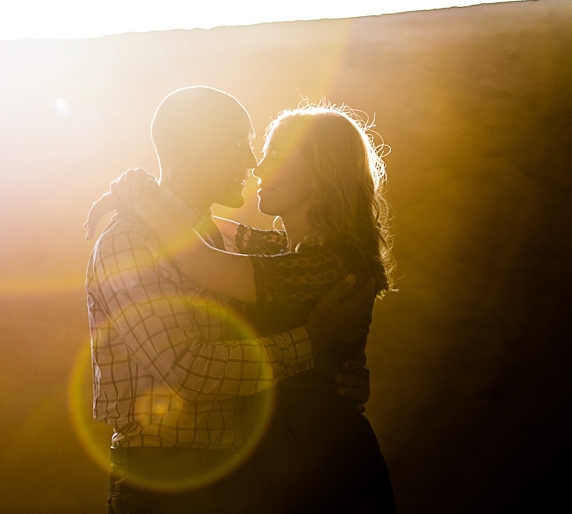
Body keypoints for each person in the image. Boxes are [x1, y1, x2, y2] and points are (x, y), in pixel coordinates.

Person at [84, 87, 377, 514]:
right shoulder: (132, 242)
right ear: (186, 148)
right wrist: (311, 345)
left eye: (263, 150)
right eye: (238, 144)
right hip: (167, 481)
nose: (251, 162)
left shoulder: (233, 249)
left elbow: (209, 258)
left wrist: (328, 376)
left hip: (263, 471)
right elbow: (187, 370)